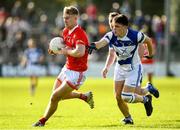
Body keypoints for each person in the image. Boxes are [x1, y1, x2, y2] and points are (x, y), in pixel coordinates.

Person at [88, 14, 159, 124]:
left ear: (125, 27)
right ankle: (128, 118)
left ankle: (146, 99)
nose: (114, 29)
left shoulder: (136, 35)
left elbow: (148, 41)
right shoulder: (111, 35)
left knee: (126, 96)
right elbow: (101, 43)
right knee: (118, 96)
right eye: (113, 26)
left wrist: (150, 54)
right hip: (120, 68)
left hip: (134, 69)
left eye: (117, 26)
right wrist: (93, 46)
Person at [33, 6, 94, 127]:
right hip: (67, 68)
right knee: (55, 95)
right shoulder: (65, 31)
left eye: (67, 18)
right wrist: (56, 50)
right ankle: (84, 96)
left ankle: (42, 121)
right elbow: (64, 48)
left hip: (77, 73)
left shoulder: (79, 34)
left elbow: (80, 52)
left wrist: (66, 51)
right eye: (64, 18)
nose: (65, 20)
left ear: (76, 18)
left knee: (55, 97)